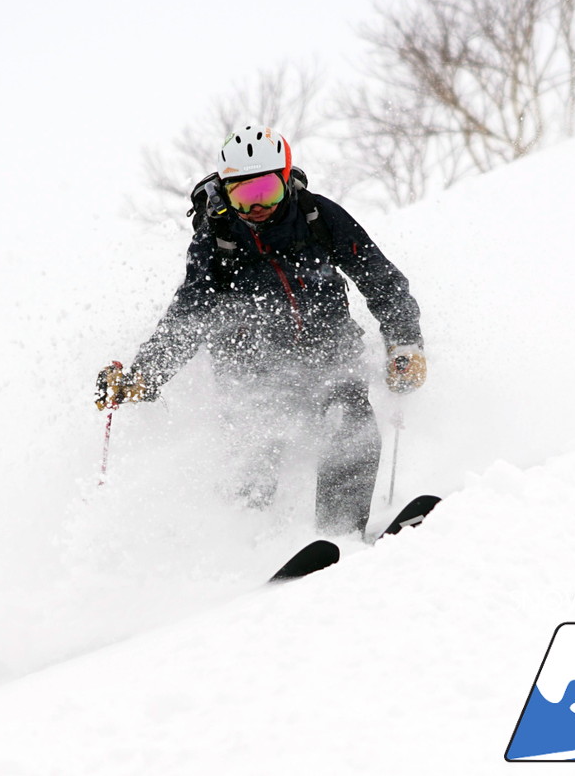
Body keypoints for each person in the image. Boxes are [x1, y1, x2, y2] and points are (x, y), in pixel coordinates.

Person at [97, 126, 425, 537]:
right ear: (225, 192)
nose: (256, 207)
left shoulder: (319, 218)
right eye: (243, 196)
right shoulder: (217, 241)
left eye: (266, 191)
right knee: (255, 451)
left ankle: (339, 534)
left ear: (286, 180)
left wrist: (405, 343)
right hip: (253, 372)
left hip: (331, 356)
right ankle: (247, 551)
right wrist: (145, 374)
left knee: (349, 423)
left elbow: (381, 280)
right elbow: (189, 313)